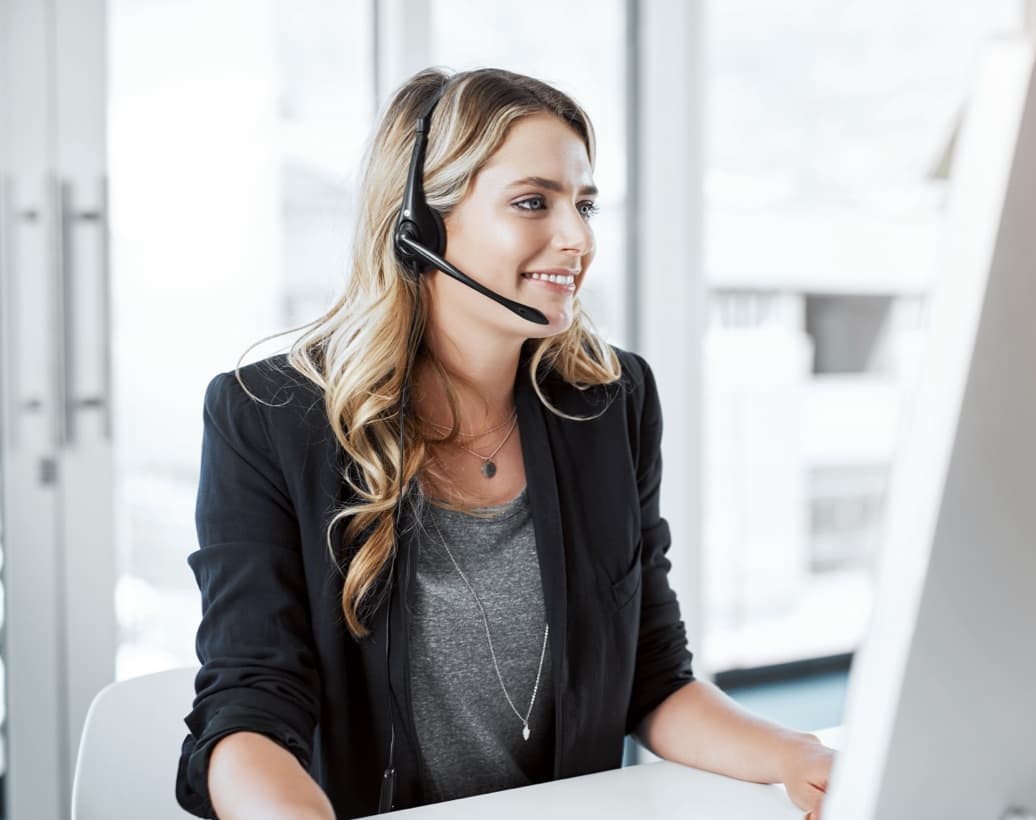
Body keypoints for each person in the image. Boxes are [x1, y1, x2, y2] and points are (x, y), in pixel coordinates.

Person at [175, 66, 835, 820]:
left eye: (584, 204)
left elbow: (653, 677)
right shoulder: (267, 418)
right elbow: (249, 709)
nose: (578, 238)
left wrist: (800, 758)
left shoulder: (609, 404)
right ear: (418, 223)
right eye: (533, 203)